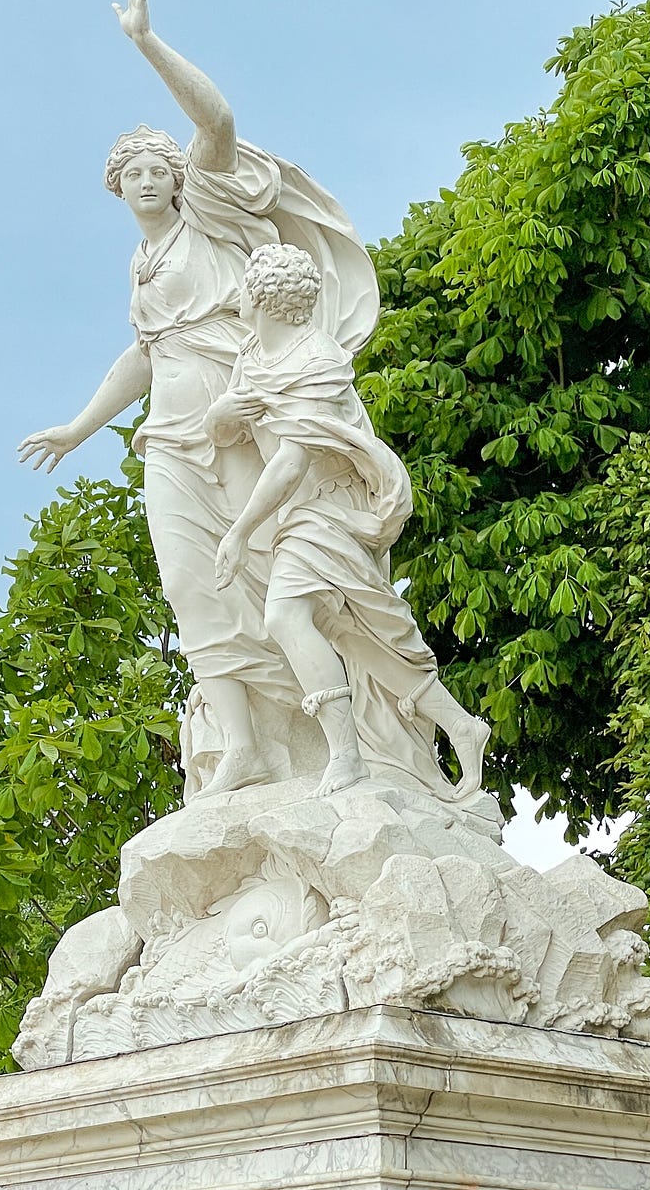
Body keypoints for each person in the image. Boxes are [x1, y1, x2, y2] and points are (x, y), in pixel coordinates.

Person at [18, 0, 378, 797]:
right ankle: (244, 746)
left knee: (270, 573)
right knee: (190, 585)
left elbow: (216, 120)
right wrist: (78, 427)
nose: (150, 176)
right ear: (117, 186)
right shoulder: (141, 264)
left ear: (177, 177)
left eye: (158, 166)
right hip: (171, 434)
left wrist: (145, 41)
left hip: (239, 418)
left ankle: (339, 743)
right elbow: (143, 354)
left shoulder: (210, 214)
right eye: (133, 170)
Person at [209, 243, 490, 802]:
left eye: (242, 285)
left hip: (335, 506)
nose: (234, 295)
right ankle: (463, 726)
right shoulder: (252, 357)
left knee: (287, 615)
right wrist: (221, 414)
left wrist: (239, 533)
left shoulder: (318, 362)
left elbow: (292, 460)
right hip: (302, 511)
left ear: (261, 296)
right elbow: (227, 432)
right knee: (357, 633)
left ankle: (346, 756)